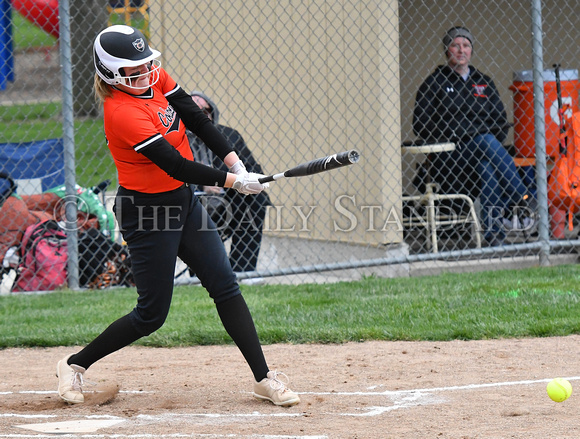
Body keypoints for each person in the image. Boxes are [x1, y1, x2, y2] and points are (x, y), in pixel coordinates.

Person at [55, 25, 300, 407]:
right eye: (133, 71)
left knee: (225, 284)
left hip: (182, 203)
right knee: (151, 315)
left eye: (146, 65)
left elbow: (200, 122)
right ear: (111, 75)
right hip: (147, 213)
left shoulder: (153, 80)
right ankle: (74, 364)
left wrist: (237, 162)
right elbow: (177, 166)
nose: (146, 74)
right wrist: (234, 182)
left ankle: (264, 378)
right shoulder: (120, 112)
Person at [412, 26, 536, 246]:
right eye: (455, 45)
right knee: (486, 141)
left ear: (471, 51)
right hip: (451, 156)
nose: (461, 50)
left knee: (488, 163)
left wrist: (480, 135)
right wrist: (457, 132)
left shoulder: (483, 81)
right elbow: (420, 125)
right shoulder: (435, 82)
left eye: (466, 45)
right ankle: (523, 197)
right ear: (446, 50)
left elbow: (500, 122)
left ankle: (494, 237)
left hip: (482, 154)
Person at [187, 91, 271, 284]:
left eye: (204, 111)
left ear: (212, 113)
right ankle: (202, 278)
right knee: (190, 212)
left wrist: (238, 181)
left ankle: (242, 272)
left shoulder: (229, 136)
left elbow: (252, 168)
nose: (199, 115)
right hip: (192, 204)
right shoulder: (173, 139)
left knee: (257, 201)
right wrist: (202, 184)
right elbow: (172, 171)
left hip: (229, 202)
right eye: (192, 111)